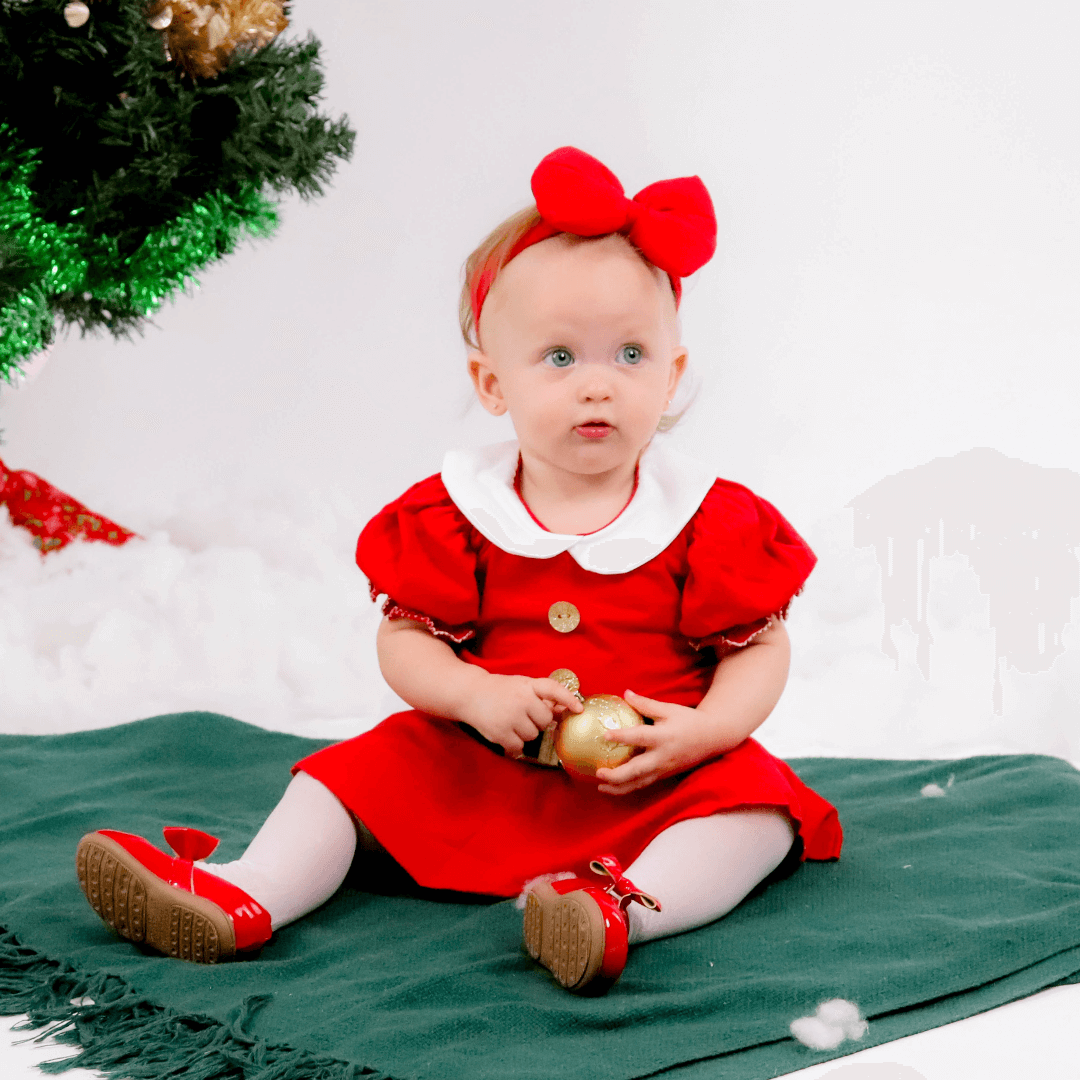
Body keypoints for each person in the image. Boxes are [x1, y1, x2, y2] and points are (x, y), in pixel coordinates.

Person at [76, 146, 842, 995]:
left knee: (757, 811)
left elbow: (758, 651)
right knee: (348, 775)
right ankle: (246, 892)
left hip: (653, 776)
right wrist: (474, 696)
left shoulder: (708, 517)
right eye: (560, 358)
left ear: (673, 376)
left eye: (630, 356)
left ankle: (618, 908)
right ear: (492, 383)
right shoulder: (457, 513)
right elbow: (405, 642)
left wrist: (704, 732)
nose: (598, 387)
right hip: (485, 764)